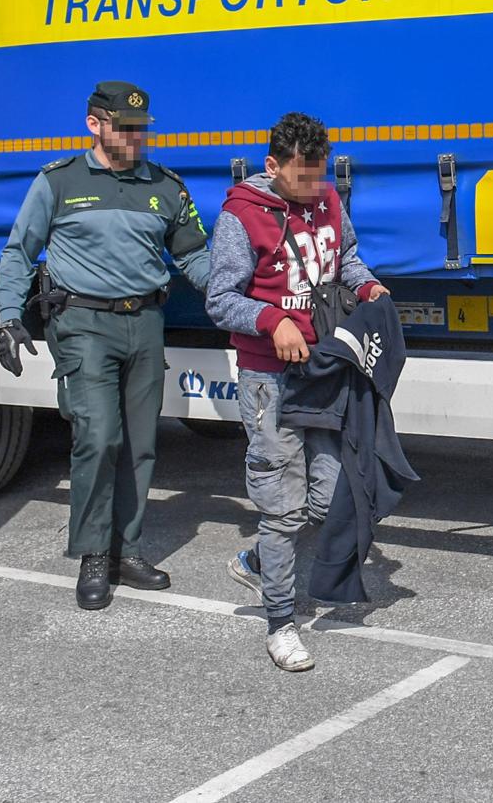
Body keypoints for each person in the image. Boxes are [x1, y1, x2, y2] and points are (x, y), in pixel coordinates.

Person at [0, 80, 211, 611]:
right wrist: (7, 317)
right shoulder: (59, 183)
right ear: (95, 124)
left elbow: (195, 258)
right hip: (83, 324)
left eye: (142, 129)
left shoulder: (166, 188)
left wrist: (246, 294)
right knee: (97, 437)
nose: (136, 138)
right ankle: (94, 552)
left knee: (140, 441)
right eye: (126, 128)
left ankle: (126, 551)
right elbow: (20, 253)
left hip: (145, 323)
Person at [204, 112, 388, 671]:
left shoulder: (329, 200)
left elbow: (345, 259)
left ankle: (259, 559)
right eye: (302, 177)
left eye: (320, 175)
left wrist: (368, 284)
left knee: (330, 495)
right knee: (281, 507)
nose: (314, 187)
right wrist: (269, 320)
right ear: (272, 166)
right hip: (268, 382)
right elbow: (219, 299)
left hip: (323, 373)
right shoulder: (241, 217)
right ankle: (281, 623)